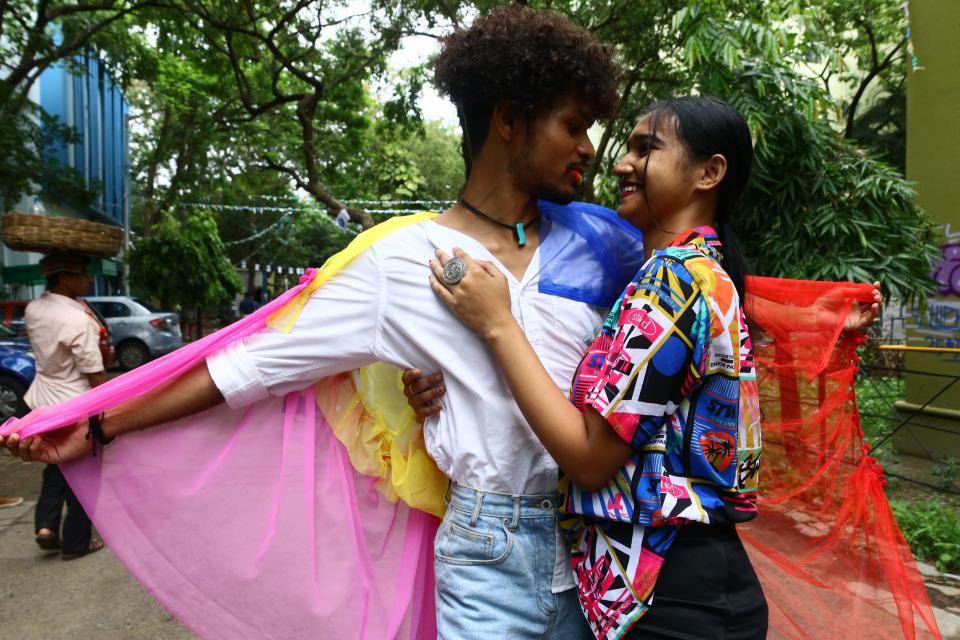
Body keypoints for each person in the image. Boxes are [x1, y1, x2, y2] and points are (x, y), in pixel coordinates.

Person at [1, 7, 627, 638]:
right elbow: (245, 368)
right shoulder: (397, 261)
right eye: (574, 125)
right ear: (510, 120)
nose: (589, 149)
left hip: (601, 557)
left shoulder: (602, 246)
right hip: (486, 563)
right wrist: (100, 426)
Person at [405, 97, 881, 638]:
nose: (621, 163)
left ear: (710, 172)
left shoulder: (672, 282)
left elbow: (589, 459)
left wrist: (498, 324)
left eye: (646, 148)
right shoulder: (706, 274)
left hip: (670, 598)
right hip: (700, 586)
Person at [26, 253, 107, 560]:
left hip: (43, 400)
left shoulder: (34, 308)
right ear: (63, 278)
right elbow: (95, 373)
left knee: (55, 464)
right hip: (74, 404)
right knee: (81, 473)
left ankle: (46, 525)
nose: (88, 279)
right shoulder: (77, 319)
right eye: (83, 273)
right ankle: (76, 542)